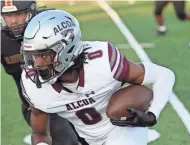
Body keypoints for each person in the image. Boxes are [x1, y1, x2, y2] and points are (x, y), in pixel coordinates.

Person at [20, 10, 175, 145]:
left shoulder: (102, 61)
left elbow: (164, 75)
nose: (36, 64)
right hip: (90, 139)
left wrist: (153, 113)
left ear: (66, 49)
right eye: (32, 57)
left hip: (124, 128)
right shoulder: (33, 86)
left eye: (43, 55)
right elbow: (40, 133)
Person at [1, 1, 86, 145]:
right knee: (67, 142)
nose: (13, 21)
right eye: (7, 16)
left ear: (31, 11)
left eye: (18, 14)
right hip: (37, 104)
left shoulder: (51, 23)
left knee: (90, 139)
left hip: (72, 96)